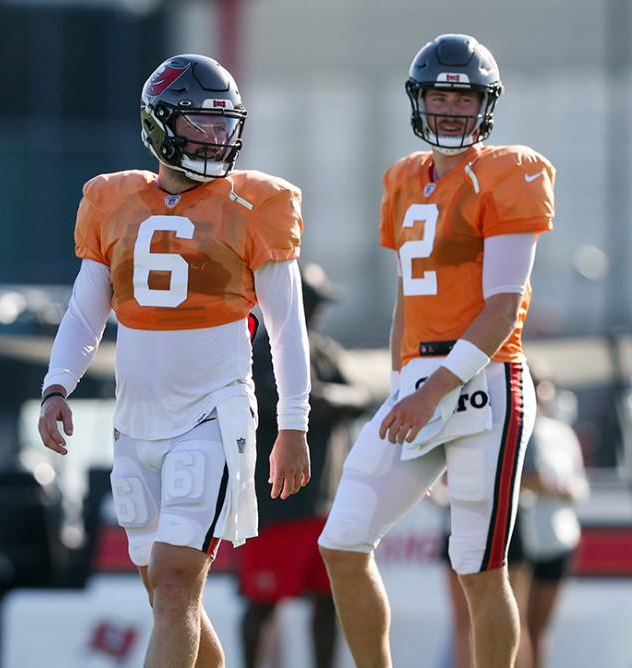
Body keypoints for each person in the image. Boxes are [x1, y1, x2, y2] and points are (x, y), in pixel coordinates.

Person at [37, 54, 313, 668]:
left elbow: (286, 326)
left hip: (212, 414)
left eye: (223, 123)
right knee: (168, 595)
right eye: (199, 122)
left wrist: (293, 424)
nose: (215, 137)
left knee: (173, 583)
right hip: (134, 422)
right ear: (158, 124)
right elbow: (85, 312)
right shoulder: (112, 201)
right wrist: (57, 386)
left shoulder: (255, 204)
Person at [317, 33, 556, 668]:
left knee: (479, 568)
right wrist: (405, 383)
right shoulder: (402, 179)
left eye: (464, 97)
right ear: (418, 99)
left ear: (486, 104)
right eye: (439, 96)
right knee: (342, 543)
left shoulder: (509, 171)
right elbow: (407, 298)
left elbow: (503, 308)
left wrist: (432, 392)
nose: (450, 109)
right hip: (419, 378)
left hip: (485, 380)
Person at [237, 264, 370, 668]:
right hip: (275, 506)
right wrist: (328, 402)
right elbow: (281, 403)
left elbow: (362, 395)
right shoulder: (259, 348)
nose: (320, 310)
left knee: (328, 602)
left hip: (325, 504)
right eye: (313, 301)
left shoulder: (324, 349)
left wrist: (330, 400)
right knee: (262, 603)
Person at [506, 376, 587, 668]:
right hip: (520, 543)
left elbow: (579, 484)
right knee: (517, 626)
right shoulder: (512, 429)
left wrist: (556, 488)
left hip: (556, 542)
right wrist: (538, 484)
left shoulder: (562, 434)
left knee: (538, 631)